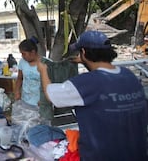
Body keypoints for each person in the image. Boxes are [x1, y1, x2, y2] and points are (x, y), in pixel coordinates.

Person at [37, 30, 148, 160]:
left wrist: (43, 70)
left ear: (83, 52)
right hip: (137, 153)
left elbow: (51, 94)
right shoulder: (129, 76)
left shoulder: (87, 82)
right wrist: (85, 61)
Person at [14, 37, 41, 107]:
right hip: (25, 100)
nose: (22, 56)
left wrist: (44, 99)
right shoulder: (22, 62)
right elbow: (20, 78)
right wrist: (17, 91)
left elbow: (49, 84)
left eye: (24, 54)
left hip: (39, 102)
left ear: (33, 52)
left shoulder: (44, 63)